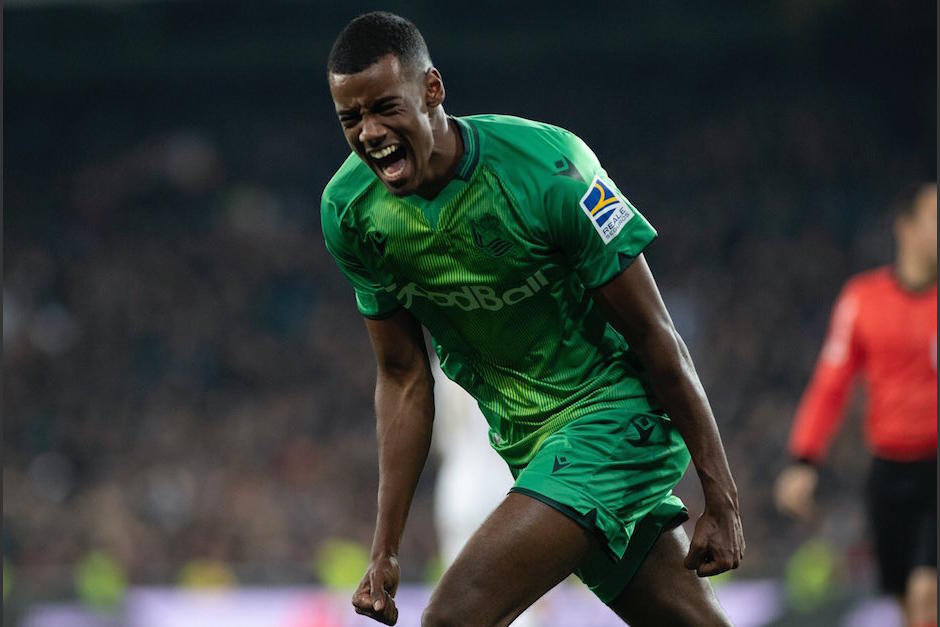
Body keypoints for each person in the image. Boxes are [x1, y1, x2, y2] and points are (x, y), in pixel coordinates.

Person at [321, 12, 744, 626]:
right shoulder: (351, 212)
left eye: (386, 107)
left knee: (453, 618)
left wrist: (722, 497)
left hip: (613, 421)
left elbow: (656, 334)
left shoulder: (551, 168)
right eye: (351, 119)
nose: (371, 133)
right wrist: (386, 551)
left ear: (432, 90)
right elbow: (404, 377)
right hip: (531, 446)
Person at [775, 183, 937, 627]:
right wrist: (803, 459)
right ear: (905, 229)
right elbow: (831, 384)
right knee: (907, 604)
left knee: (928, 595)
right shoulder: (862, 299)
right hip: (888, 472)